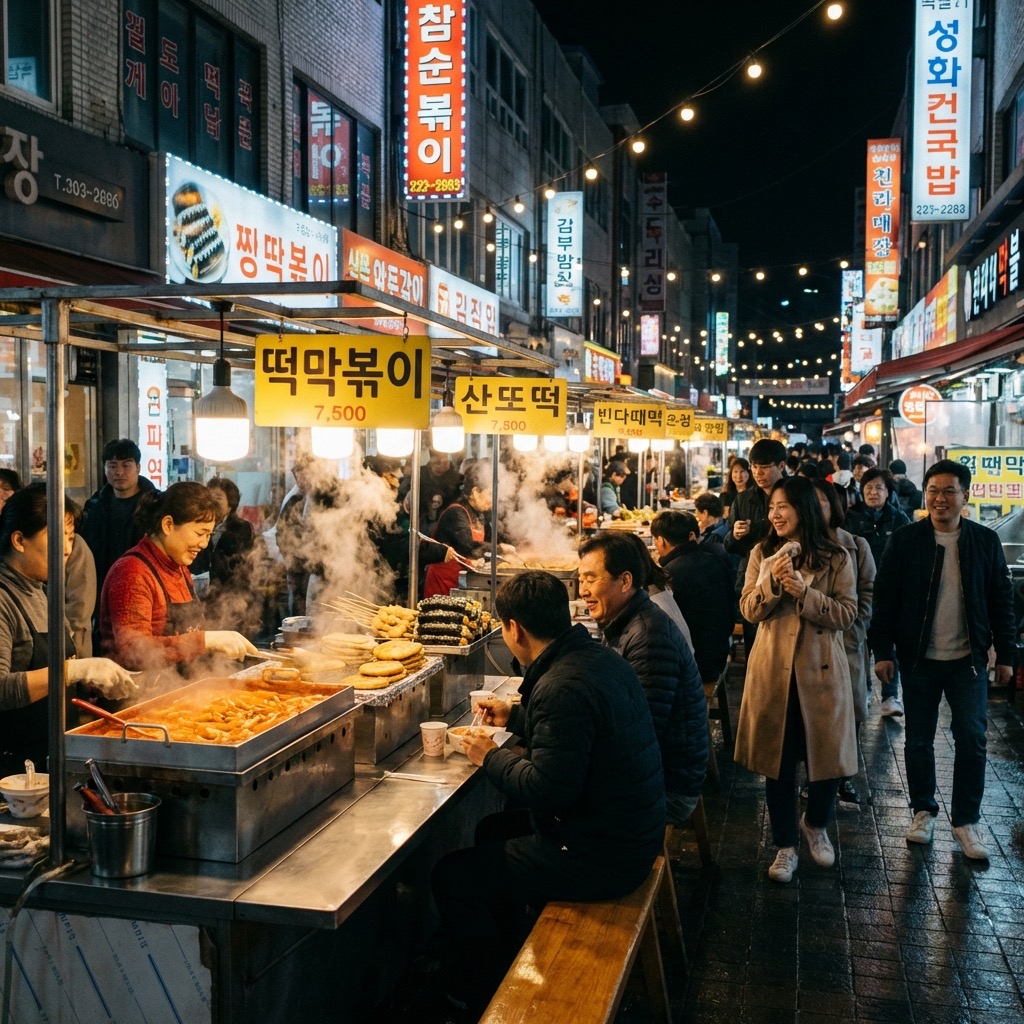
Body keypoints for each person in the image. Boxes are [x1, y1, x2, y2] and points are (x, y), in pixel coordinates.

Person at [430, 571, 664, 1014]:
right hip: (627, 829)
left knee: (452, 876)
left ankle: (475, 994)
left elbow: (549, 789)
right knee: (493, 830)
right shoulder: (592, 657)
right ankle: (507, 947)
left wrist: (488, 756)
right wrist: (515, 718)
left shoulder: (560, 684)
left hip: (604, 855)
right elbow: (576, 734)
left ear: (514, 628)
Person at [869, 459, 1015, 861]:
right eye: (933, 490)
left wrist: (1006, 654)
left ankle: (965, 821)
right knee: (919, 738)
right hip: (919, 660)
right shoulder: (905, 540)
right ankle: (922, 811)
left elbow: (1002, 601)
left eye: (949, 490)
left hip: (967, 660)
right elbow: (885, 600)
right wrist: (882, 652)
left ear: (965, 496)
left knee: (972, 737)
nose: (940, 498)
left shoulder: (984, 542)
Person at [735, 476, 857, 883]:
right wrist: (772, 582)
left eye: (783, 506)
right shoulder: (762, 552)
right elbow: (749, 611)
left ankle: (816, 825)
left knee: (827, 762)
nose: (775, 514)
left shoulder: (838, 556)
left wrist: (805, 593)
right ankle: (785, 845)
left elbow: (846, 615)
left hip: (821, 671)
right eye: (772, 507)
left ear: (803, 508)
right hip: (774, 672)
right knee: (778, 764)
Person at [0, 484, 136, 775]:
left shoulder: (44, 591)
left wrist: (98, 685)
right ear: (19, 540)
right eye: (56, 536)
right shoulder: (3, 598)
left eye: (70, 537)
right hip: (13, 772)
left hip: (54, 756)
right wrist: (75, 671)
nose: (66, 549)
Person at [577, 532, 707, 824]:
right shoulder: (626, 621)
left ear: (625, 581)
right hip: (654, 770)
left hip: (667, 786)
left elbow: (640, 732)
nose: (583, 590)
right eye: (580, 579)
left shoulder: (649, 635)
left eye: (590, 578)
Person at [99, 482, 258, 676]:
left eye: (209, 535)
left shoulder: (179, 567)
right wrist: (206, 641)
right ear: (168, 525)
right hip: (138, 698)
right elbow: (134, 651)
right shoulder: (132, 573)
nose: (204, 543)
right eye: (200, 533)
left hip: (178, 688)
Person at [813, 478, 875, 805]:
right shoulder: (795, 544)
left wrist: (854, 629)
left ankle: (844, 775)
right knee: (815, 714)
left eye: (823, 503)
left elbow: (867, 593)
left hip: (846, 642)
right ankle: (816, 778)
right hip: (810, 646)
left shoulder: (856, 546)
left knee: (848, 713)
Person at [844, 467, 910, 717]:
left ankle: (890, 696)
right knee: (859, 644)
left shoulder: (899, 519)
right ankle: (864, 690)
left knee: (887, 644)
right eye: (868, 487)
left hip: (888, 593)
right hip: (856, 591)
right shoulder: (850, 517)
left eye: (879, 488)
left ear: (888, 492)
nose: (873, 492)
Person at [650, 510, 734, 685]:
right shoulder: (714, 560)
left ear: (661, 540)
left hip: (695, 665)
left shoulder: (670, 574)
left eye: (655, 539)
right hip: (719, 652)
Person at [725, 439, 788, 655]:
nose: (757, 473)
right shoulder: (743, 500)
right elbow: (729, 545)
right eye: (754, 466)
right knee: (755, 648)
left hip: (787, 577)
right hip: (753, 580)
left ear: (781, 466)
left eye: (764, 466)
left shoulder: (797, 495)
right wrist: (735, 534)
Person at [79, 438, 160, 598]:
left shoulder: (156, 506)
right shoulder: (94, 506)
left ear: (138, 467)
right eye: (112, 466)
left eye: (126, 465)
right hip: (100, 591)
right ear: (104, 469)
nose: (119, 472)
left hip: (142, 589)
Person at [191, 477, 260, 634]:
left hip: (233, 597)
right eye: (209, 497)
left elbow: (240, 567)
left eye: (219, 498)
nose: (213, 502)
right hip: (204, 599)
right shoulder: (197, 526)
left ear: (230, 504)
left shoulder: (242, 528)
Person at [423, 461, 494, 598]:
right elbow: (469, 546)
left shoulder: (478, 513)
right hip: (442, 581)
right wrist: (500, 549)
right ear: (475, 492)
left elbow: (487, 541)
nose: (492, 500)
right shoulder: (456, 512)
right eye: (490, 494)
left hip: (460, 578)